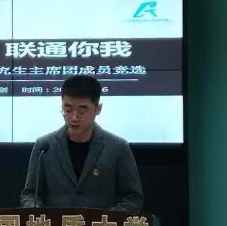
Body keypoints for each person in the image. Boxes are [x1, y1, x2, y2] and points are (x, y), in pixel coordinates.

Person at [20, 75, 143, 212]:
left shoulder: (117, 147)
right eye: (68, 110)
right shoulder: (44, 146)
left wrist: (104, 219)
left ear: (98, 109)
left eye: (82, 111)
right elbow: (30, 194)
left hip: (100, 225)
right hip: (56, 225)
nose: (74, 117)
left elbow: (133, 198)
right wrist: (36, 211)